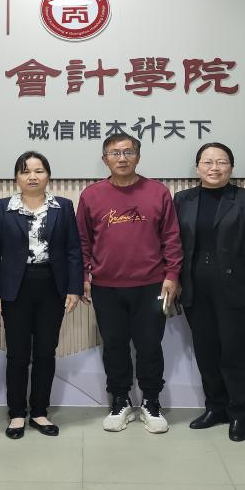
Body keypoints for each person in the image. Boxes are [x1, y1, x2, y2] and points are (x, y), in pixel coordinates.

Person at [77, 133, 183, 434]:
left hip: (152, 285)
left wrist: (172, 275)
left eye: (128, 152)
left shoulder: (158, 192)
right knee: (114, 345)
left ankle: (151, 401)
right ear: (105, 159)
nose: (121, 158)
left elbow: (172, 238)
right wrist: (84, 276)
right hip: (106, 286)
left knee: (150, 345)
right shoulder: (91, 195)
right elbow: (82, 241)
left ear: (138, 156)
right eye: (115, 153)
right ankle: (120, 400)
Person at [0, 151, 84, 439]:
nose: (32, 176)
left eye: (39, 171)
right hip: (15, 287)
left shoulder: (63, 206)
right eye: (25, 171)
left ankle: (39, 411)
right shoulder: (2, 208)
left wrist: (74, 288)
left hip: (52, 286)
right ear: (16, 177)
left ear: (48, 175)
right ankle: (16, 413)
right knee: (17, 353)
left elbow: (73, 250)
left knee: (45, 352)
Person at [174, 142, 245, 442]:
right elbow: (174, 243)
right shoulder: (183, 199)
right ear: (197, 167)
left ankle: (239, 412)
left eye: (221, 162)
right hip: (195, 286)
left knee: (235, 349)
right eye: (208, 162)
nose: (214, 167)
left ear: (231, 167)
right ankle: (215, 407)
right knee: (206, 350)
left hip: (237, 286)